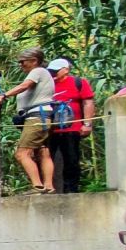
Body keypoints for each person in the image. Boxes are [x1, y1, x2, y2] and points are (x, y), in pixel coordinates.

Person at [0, 47, 56, 194]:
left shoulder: (38, 71)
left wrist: (4, 96)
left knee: (22, 153)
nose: (20, 65)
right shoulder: (43, 74)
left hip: (36, 118)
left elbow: (25, 86)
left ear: (34, 61)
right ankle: (48, 186)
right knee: (43, 153)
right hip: (43, 117)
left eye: (23, 62)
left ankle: (37, 186)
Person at [47, 58, 95, 194]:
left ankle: (71, 190)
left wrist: (87, 124)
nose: (53, 73)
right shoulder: (48, 84)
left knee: (71, 160)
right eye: (51, 71)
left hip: (72, 128)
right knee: (46, 158)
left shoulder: (78, 82)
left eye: (56, 71)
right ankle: (49, 189)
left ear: (66, 70)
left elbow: (88, 102)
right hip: (51, 129)